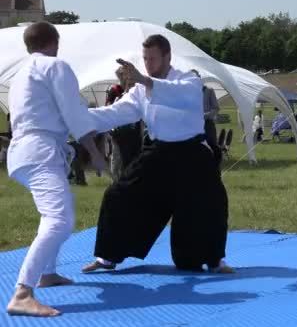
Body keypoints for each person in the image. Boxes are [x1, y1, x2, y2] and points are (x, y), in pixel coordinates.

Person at [81, 35, 232, 274]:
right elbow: (115, 113)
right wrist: (77, 117)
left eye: (153, 58)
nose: (148, 63)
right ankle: (107, 257)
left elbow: (182, 97)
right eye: (145, 59)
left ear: (167, 57)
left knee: (209, 203)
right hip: (159, 152)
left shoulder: (188, 80)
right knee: (118, 194)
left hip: (192, 154)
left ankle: (213, 260)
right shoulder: (141, 90)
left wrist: (145, 80)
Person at [5, 22, 106, 317]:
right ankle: (22, 292)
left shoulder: (21, 73)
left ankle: (47, 273)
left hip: (25, 151)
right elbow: (73, 112)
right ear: (55, 42)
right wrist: (95, 153)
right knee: (60, 218)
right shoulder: (55, 65)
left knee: (53, 213)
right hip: (40, 150)